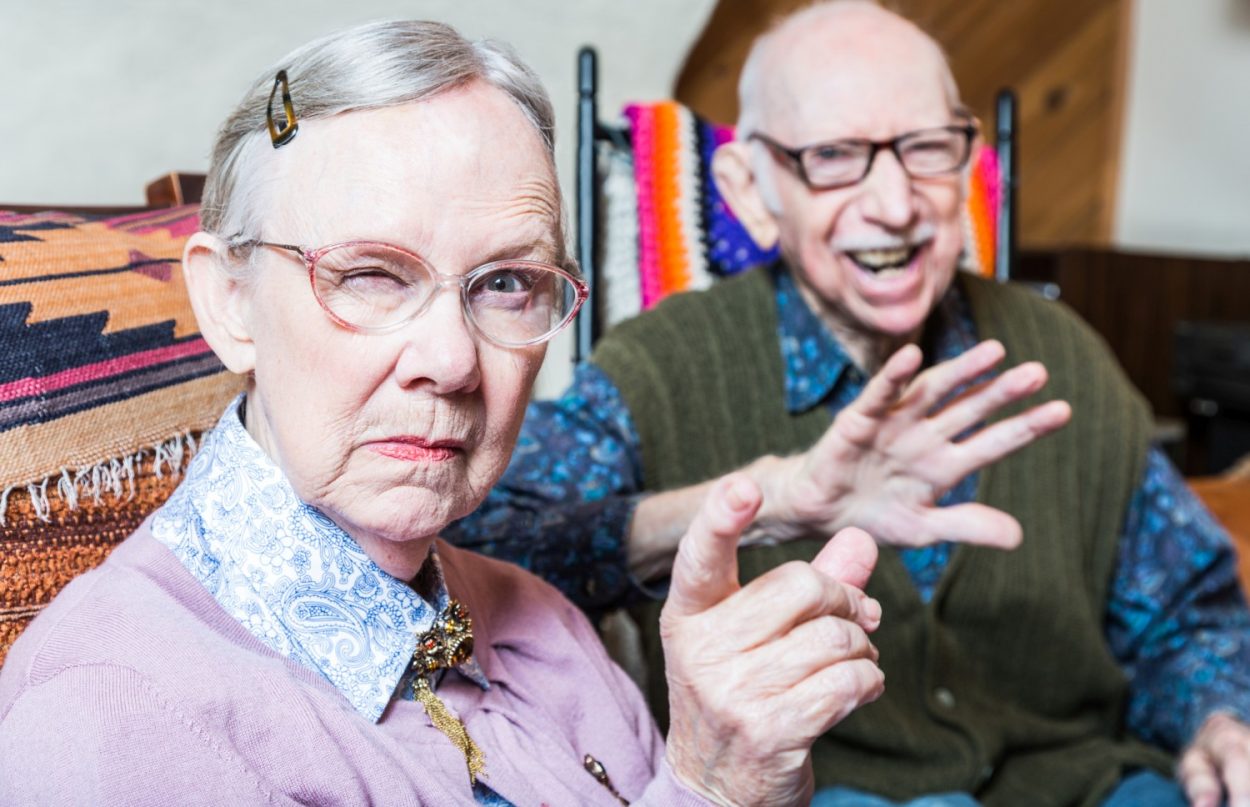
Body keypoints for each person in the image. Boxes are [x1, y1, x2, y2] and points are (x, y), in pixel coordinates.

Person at [0, 21, 889, 805]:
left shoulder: (543, 623)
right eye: (371, 275)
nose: (454, 361)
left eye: (506, 283)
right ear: (230, 303)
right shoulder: (113, 722)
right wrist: (712, 789)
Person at [446, 2, 1250, 805]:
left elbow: (1187, 613)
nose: (895, 205)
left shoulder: (1062, 355)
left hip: (1088, 786)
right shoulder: (663, 364)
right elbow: (479, 546)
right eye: (834, 156)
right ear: (750, 190)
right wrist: (763, 503)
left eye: (926, 148)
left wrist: (1217, 721)